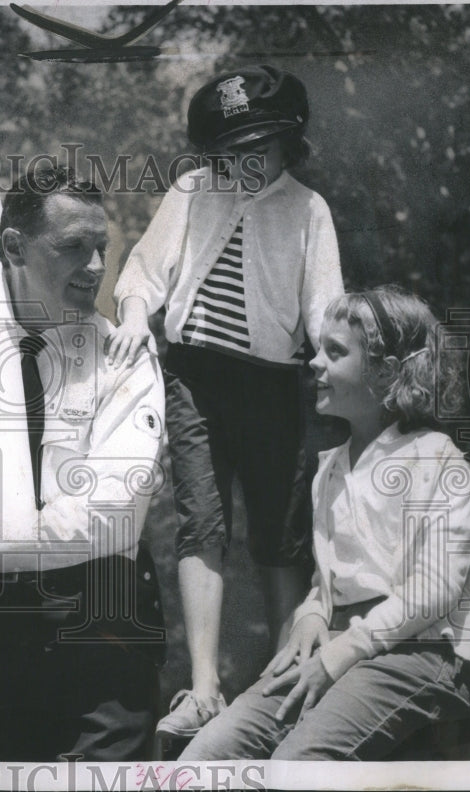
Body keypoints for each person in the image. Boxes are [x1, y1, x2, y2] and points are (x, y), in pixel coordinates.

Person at [0, 166, 167, 762]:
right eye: (73, 248)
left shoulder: (124, 361)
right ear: (14, 246)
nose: (95, 268)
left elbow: (114, 512)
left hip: (101, 616)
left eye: (102, 249)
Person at [110, 64, 344, 739]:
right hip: (194, 377)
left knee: (279, 527)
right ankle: (205, 684)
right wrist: (132, 314)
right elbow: (146, 271)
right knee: (201, 523)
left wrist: (331, 371)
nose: (243, 166)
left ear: (287, 144)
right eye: (230, 154)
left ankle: (284, 676)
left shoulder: (308, 209)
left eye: (258, 151)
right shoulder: (192, 190)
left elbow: (325, 306)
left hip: (272, 382)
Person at [179, 286, 470, 760]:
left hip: (427, 649)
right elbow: (329, 582)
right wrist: (310, 615)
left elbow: (435, 589)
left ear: (387, 371)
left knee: (298, 765)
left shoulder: (436, 458)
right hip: (343, 647)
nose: (314, 363)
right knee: (208, 754)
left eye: (335, 352)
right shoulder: (330, 469)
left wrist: (341, 654)